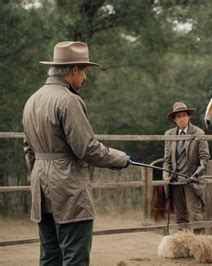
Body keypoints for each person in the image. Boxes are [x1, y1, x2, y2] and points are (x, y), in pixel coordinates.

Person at [22, 41, 132, 265]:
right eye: (84, 71)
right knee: (75, 257)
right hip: (69, 190)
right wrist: (120, 159)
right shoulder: (69, 100)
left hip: (41, 189)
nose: (85, 77)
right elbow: (87, 148)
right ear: (73, 70)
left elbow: (28, 149)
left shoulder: (32, 100)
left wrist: (41, 173)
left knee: (49, 256)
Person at [163, 102, 210, 234]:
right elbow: (167, 160)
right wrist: (166, 175)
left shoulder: (198, 133)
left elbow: (204, 158)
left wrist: (196, 175)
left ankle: (200, 246)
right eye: (178, 116)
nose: (182, 119)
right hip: (175, 181)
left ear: (189, 117)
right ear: (174, 119)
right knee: (180, 217)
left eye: (184, 115)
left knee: (195, 215)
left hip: (191, 181)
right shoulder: (169, 134)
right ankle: (183, 247)